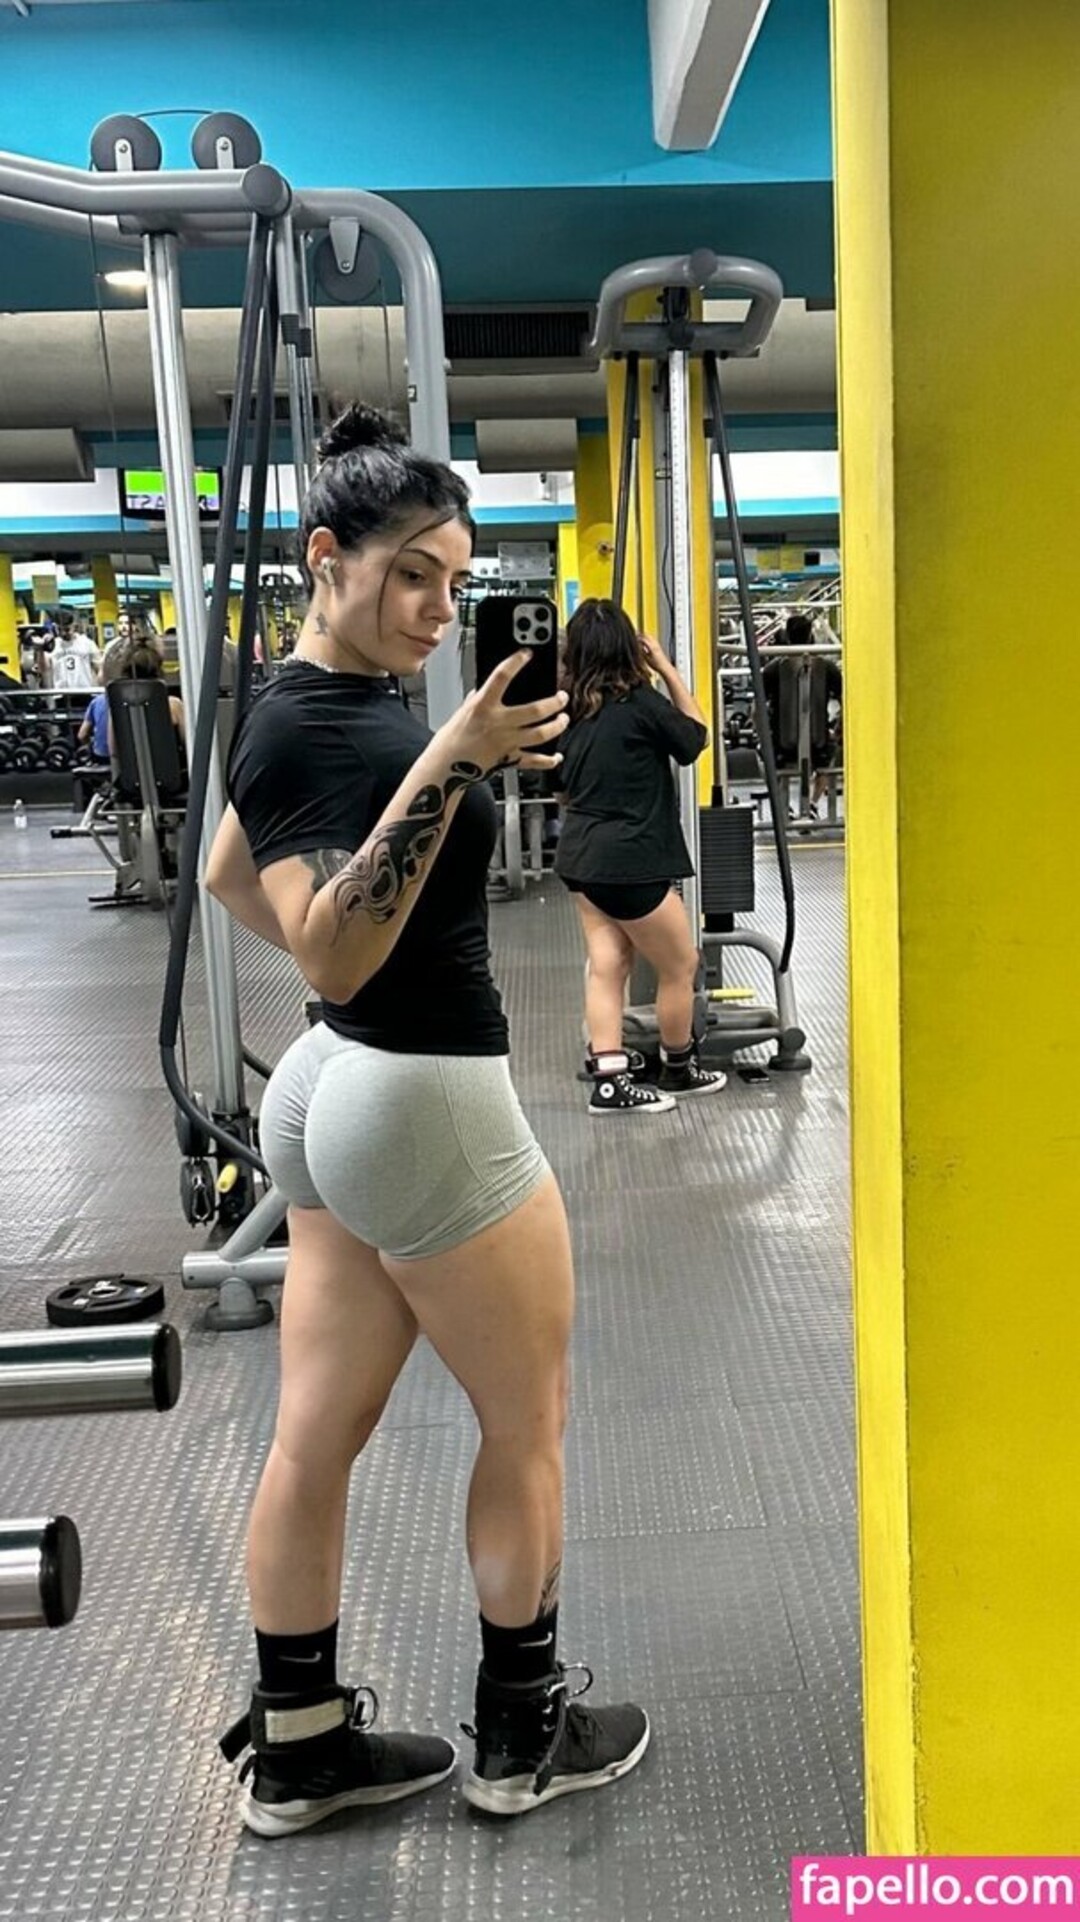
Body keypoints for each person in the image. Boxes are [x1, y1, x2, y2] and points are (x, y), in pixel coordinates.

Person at [205, 403, 648, 1837]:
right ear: (325, 557)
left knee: (314, 1431)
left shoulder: (293, 701)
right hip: (421, 1093)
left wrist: (440, 759)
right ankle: (524, 1734)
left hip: (334, 1088)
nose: (438, 608)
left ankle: (300, 1742)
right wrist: (449, 759)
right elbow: (334, 952)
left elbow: (228, 873)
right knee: (529, 1420)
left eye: (454, 582)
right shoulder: (343, 724)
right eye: (411, 575)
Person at [554, 599, 727, 1116]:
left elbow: (556, 783)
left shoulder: (568, 712)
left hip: (581, 859)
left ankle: (610, 1081)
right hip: (632, 861)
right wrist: (666, 667)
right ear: (630, 649)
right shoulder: (640, 703)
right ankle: (679, 1067)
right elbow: (694, 737)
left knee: (608, 965)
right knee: (681, 964)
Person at [51, 613, 102, 691]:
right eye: (59, 630)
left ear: (74, 626)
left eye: (67, 630)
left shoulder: (87, 643)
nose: (63, 633)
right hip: (60, 693)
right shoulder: (53, 646)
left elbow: (99, 669)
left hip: (84, 692)